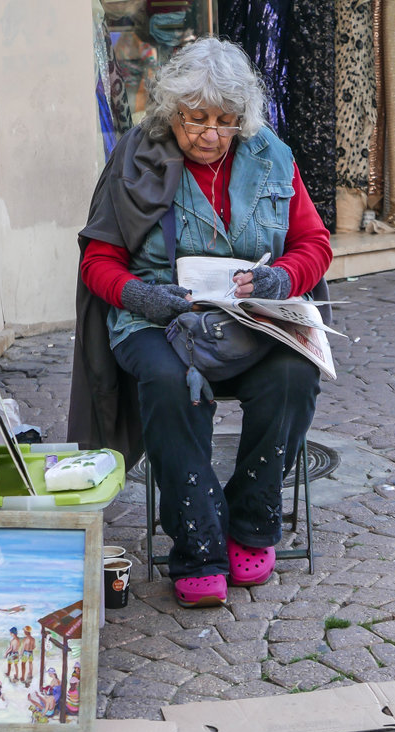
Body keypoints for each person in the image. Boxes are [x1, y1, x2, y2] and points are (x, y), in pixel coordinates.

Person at [68, 37, 332, 609]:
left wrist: (281, 280)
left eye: (224, 121)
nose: (209, 134)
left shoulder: (272, 156)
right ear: (172, 113)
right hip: (158, 322)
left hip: (252, 322)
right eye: (194, 119)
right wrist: (142, 296)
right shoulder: (138, 156)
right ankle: (197, 542)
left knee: (293, 375)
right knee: (167, 384)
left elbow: (314, 244)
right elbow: (98, 261)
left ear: (243, 119)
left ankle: (250, 519)